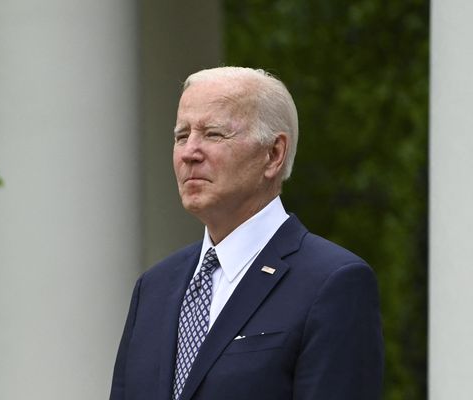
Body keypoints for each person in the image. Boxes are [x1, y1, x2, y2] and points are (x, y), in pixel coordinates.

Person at [110, 67, 383, 400]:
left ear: (273, 154)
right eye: (182, 136)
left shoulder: (332, 283)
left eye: (213, 134)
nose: (189, 153)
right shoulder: (153, 288)